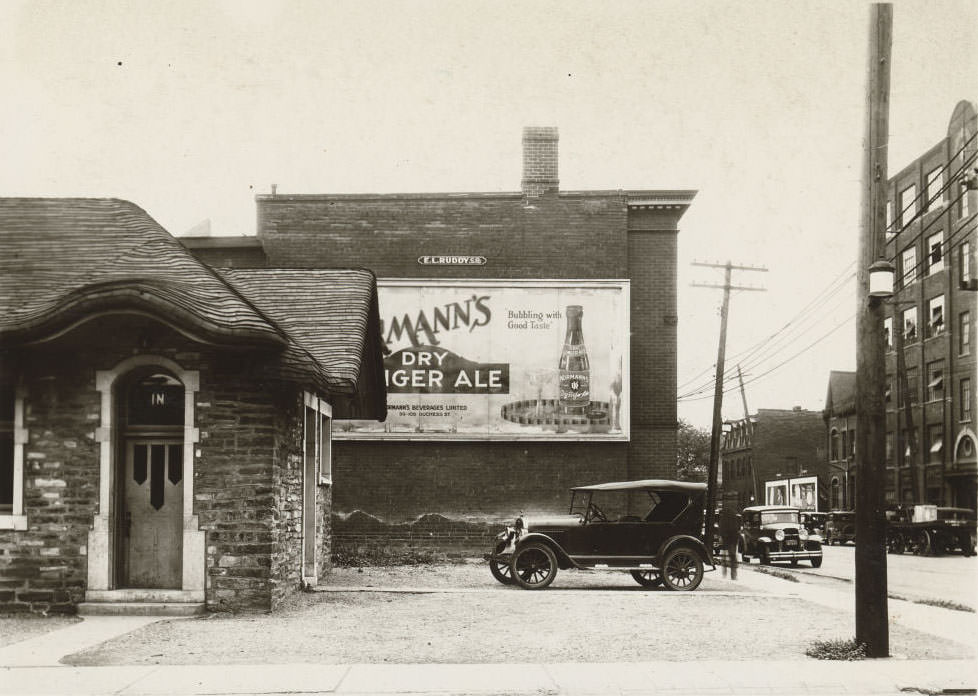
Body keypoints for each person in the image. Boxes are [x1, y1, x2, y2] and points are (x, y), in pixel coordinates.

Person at [719, 502, 740, 580]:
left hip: (726, 538)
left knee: (724, 556)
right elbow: (737, 529)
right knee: (733, 556)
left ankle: (724, 574)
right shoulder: (734, 516)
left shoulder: (723, 517)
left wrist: (721, 536)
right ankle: (733, 575)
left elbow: (721, 529)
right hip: (733, 539)